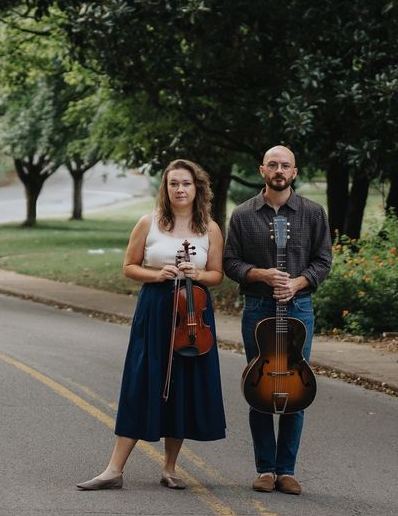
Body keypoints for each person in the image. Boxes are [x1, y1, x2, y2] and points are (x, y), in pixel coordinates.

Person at [77, 159, 226, 490]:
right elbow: (129, 267)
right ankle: (114, 470)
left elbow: (216, 275)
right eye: (173, 183)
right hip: (156, 309)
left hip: (192, 315)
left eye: (186, 183)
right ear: (166, 188)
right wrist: (157, 274)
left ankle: (170, 469)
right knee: (141, 383)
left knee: (183, 388)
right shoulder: (149, 222)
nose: (180, 189)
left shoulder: (210, 229)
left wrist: (197, 274)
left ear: (197, 187)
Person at [223, 145, 331, 495]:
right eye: (273, 165)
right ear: (262, 170)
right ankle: (265, 470)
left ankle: (287, 470)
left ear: (295, 172)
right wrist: (260, 275)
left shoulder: (313, 214)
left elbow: (323, 261)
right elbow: (230, 263)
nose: (279, 170)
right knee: (260, 387)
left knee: (295, 388)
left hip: (298, 310)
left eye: (285, 165)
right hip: (257, 310)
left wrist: (298, 283)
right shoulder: (242, 215)